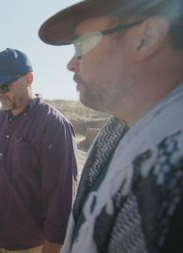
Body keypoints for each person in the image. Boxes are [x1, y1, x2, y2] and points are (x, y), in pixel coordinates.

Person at [39, 0, 183, 252]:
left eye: (81, 44)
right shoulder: (118, 130)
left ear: (146, 39)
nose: (71, 63)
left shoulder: (172, 177)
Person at [0, 48, 78, 253]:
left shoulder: (53, 126)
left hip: (27, 243)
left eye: (4, 85)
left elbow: (61, 199)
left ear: (29, 78)